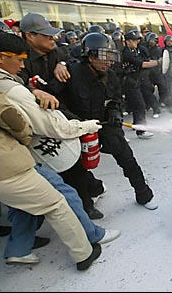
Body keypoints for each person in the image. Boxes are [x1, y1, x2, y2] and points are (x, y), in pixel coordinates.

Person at [0, 33, 101, 273]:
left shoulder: (9, 83)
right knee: (60, 200)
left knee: (22, 204)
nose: (22, 65)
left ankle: (18, 249)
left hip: (6, 167)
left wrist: (31, 90)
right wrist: (86, 126)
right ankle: (88, 247)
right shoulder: (8, 88)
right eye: (19, 59)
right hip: (10, 161)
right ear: (0, 58)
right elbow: (42, 126)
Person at [54, 32, 159, 210]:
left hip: (105, 125)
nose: (109, 62)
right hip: (77, 129)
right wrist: (76, 123)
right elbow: (56, 101)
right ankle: (88, 204)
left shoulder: (110, 75)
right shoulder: (71, 73)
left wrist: (114, 113)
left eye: (111, 57)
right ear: (90, 55)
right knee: (77, 169)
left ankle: (144, 194)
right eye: (104, 57)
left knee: (128, 159)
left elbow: (115, 100)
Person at [18, 12, 107, 219]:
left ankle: (89, 195)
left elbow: (74, 56)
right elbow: (11, 84)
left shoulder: (56, 53)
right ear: (30, 36)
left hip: (63, 115)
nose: (53, 39)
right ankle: (84, 204)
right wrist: (32, 91)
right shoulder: (21, 59)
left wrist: (63, 64)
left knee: (75, 159)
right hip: (37, 122)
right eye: (47, 36)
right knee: (58, 166)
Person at [121, 29, 162, 138]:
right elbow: (142, 64)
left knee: (137, 105)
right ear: (128, 41)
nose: (136, 42)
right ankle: (141, 131)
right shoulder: (126, 53)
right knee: (140, 105)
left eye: (137, 40)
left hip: (136, 81)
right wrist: (158, 62)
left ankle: (136, 125)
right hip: (129, 83)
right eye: (134, 40)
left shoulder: (135, 50)